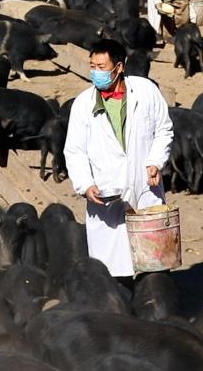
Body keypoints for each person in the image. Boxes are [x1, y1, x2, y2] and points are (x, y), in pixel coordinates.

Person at [63, 39, 174, 280]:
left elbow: (164, 130)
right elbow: (74, 151)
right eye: (92, 66)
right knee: (113, 270)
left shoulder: (145, 91)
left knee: (152, 263)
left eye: (102, 67)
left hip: (145, 188)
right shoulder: (83, 104)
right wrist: (85, 184)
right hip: (106, 193)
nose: (96, 73)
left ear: (119, 67)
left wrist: (155, 161)